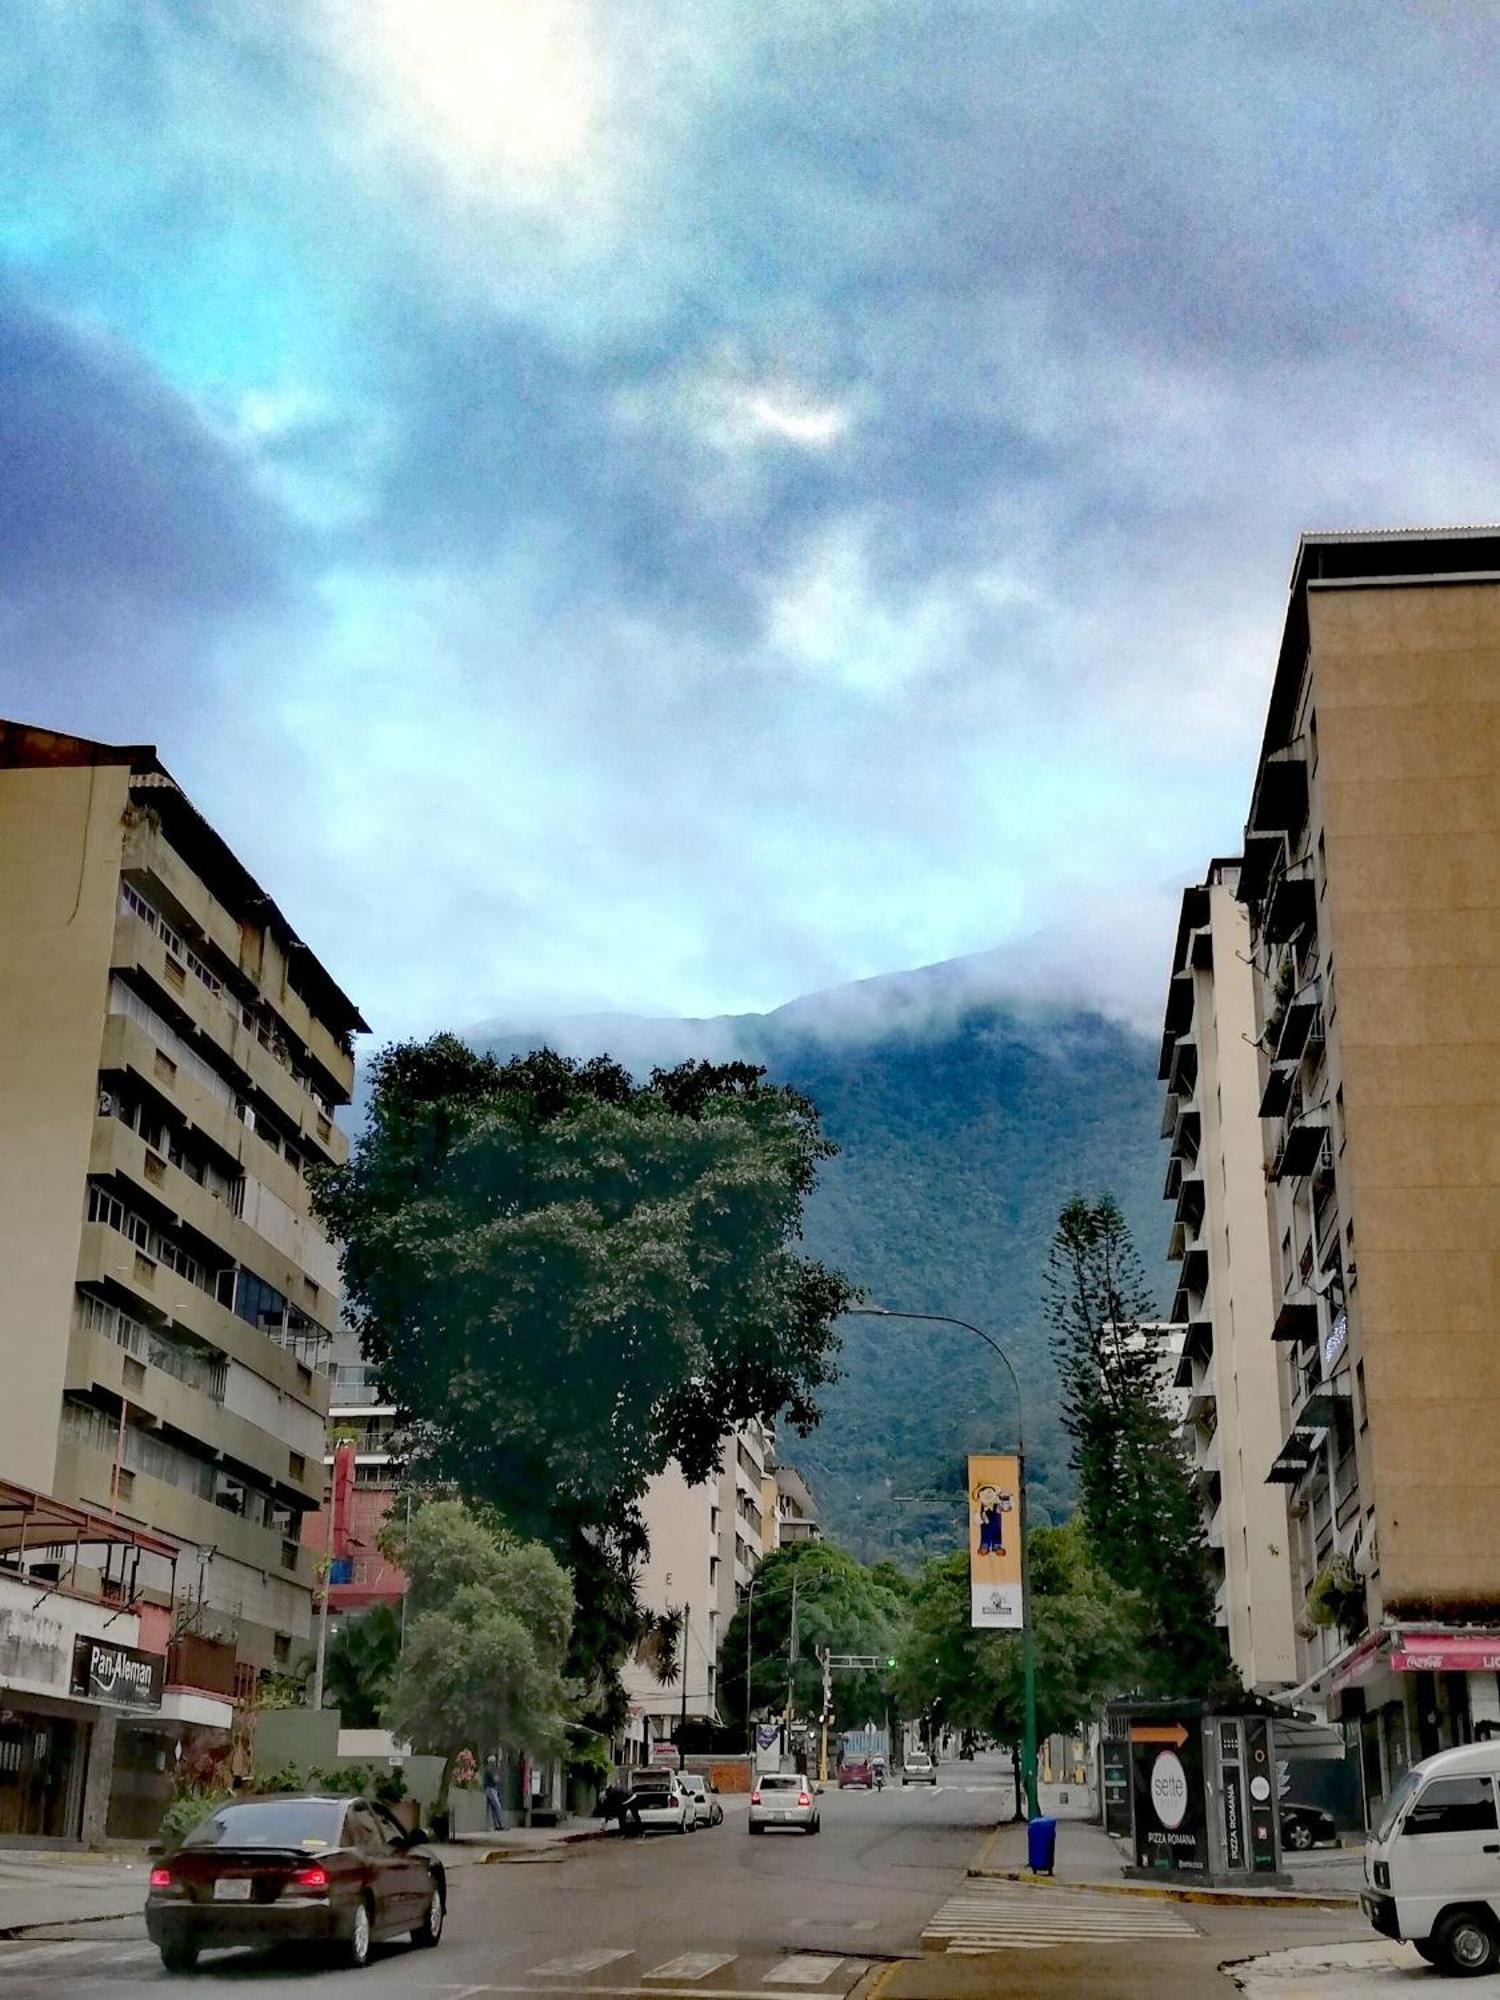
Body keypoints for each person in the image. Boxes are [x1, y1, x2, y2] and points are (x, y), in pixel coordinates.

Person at [482, 1755, 504, 1831]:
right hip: (490, 1789)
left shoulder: (488, 1769)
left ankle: (497, 1825)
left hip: (490, 1789)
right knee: (498, 1806)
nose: (494, 1763)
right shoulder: (489, 1770)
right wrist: (498, 1776)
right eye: (494, 1762)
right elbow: (496, 1779)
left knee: (493, 1808)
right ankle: (501, 1824)